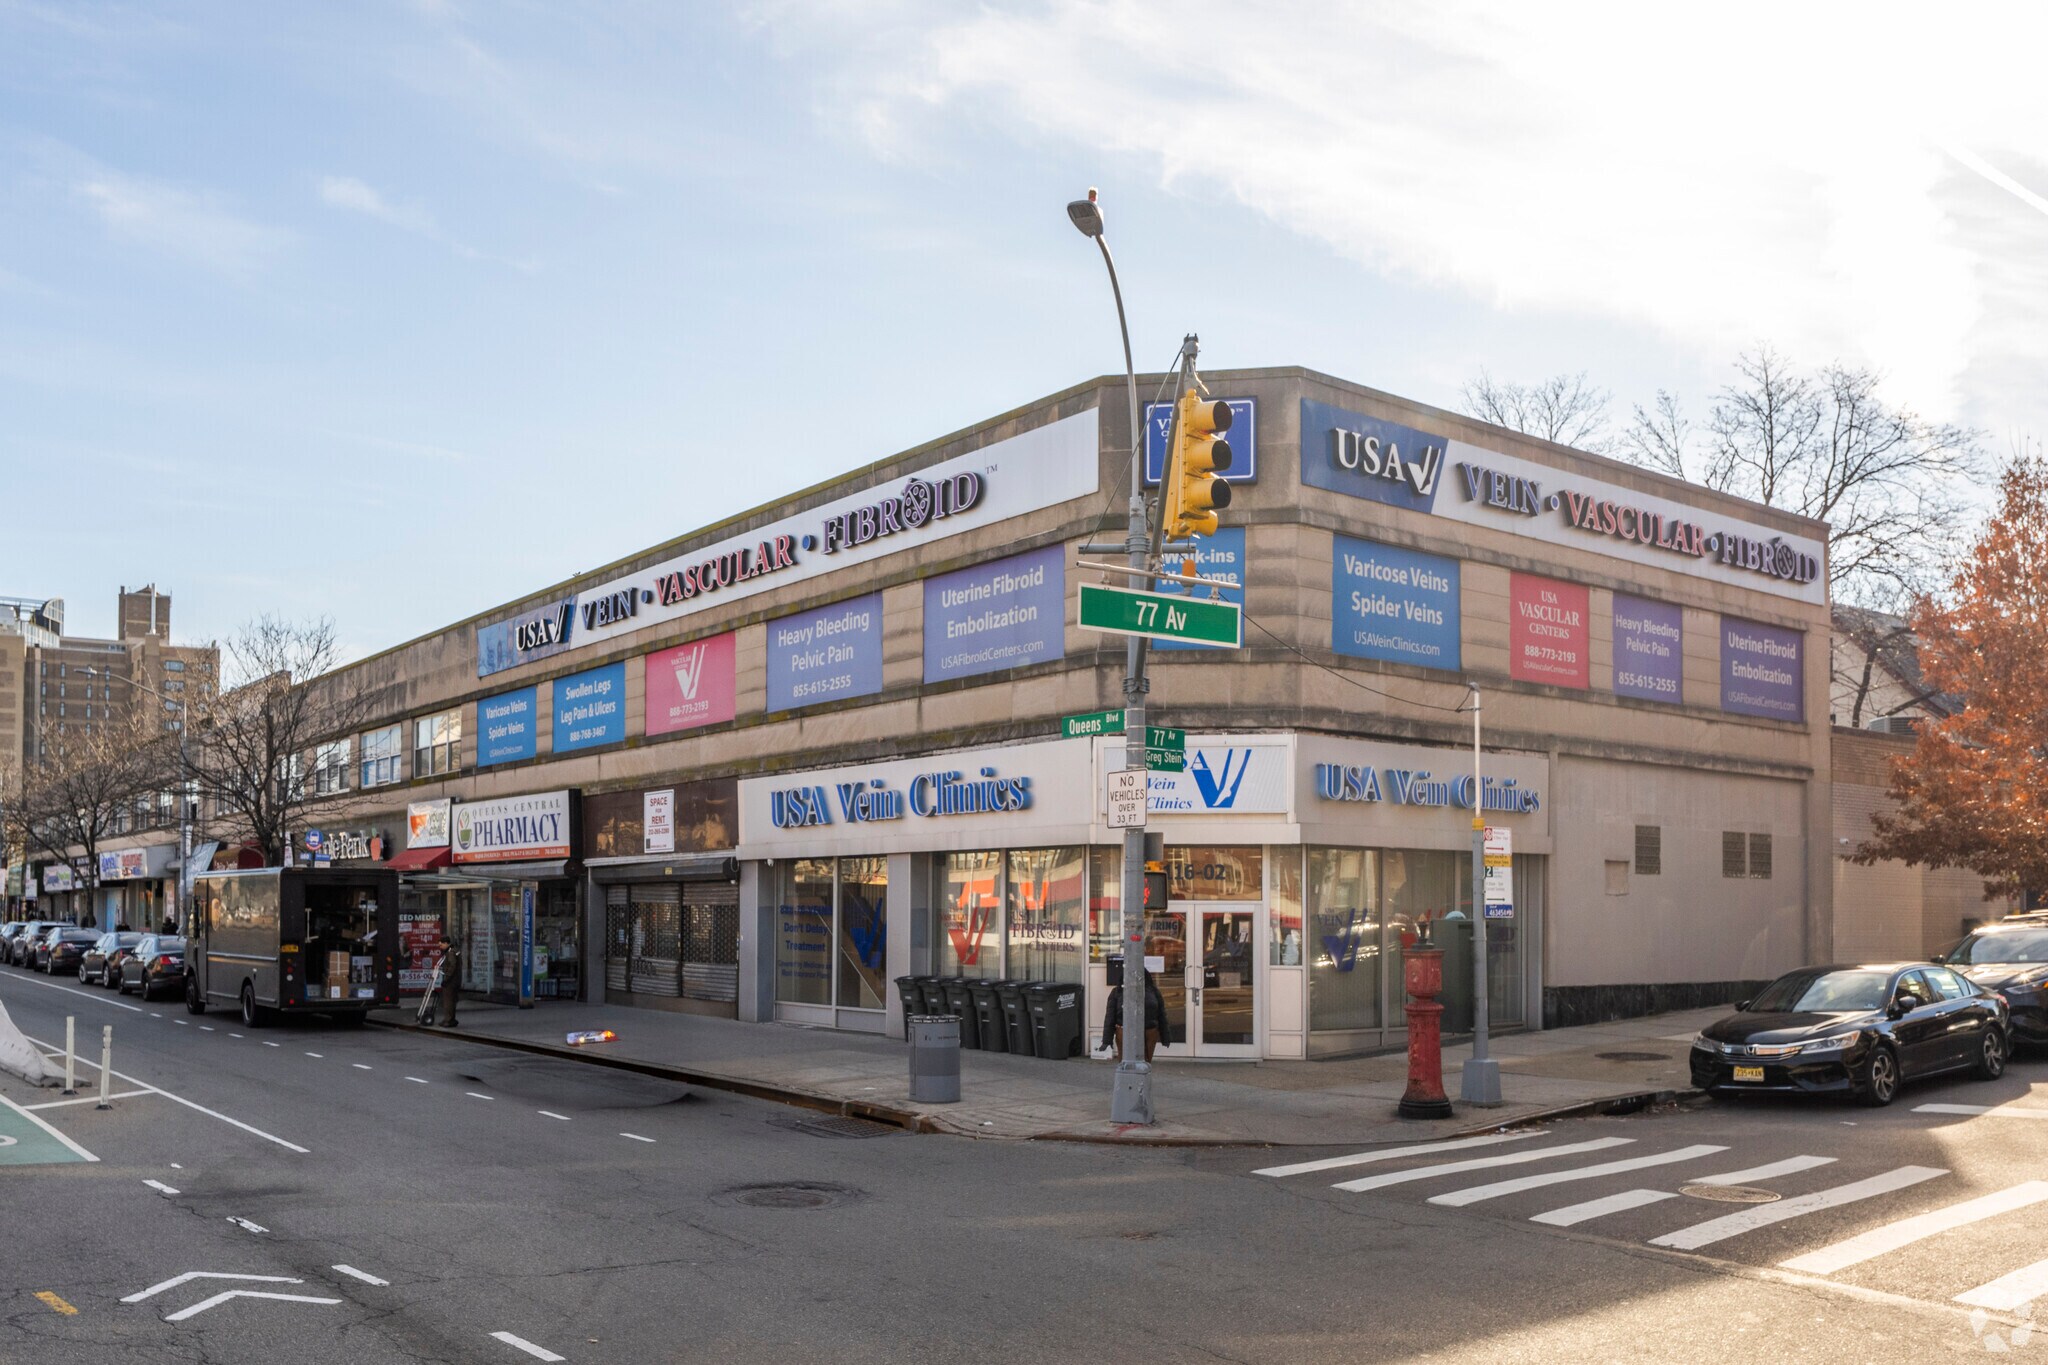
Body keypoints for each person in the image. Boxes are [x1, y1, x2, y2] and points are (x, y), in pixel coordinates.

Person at [1100, 960, 1173, 1063]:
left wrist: (1166, 1037)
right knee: (1126, 1063)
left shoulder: (1153, 991)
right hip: (1124, 1031)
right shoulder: (1117, 992)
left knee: (1145, 1063)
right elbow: (1110, 1017)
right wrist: (1107, 1040)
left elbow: (1161, 1015)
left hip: (1149, 1032)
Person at [431, 934, 461, 1027]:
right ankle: (451, 1019)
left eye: (441, 945)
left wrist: (446, 978)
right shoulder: (455, 951)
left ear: (446, 943)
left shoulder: (451, 952)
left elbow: (452, 967)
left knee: (448, 1001)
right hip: (456, 980)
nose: (440, 947)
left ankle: (448, 1020)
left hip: (451, 981)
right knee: (452, 1000)